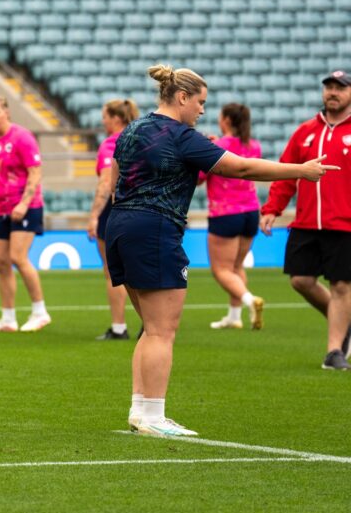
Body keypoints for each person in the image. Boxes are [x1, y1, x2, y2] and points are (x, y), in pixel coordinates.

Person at [108, 64, 335, 437]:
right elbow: (242, 169)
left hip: (121, 225)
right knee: (162, 331)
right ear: (182, 97)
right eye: (200, 102)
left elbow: (122, 176)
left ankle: (141, 410)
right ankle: (152, 416)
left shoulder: (133, 129)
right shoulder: (182, 135)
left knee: (150, 328)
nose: (201, 110)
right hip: (155, 229)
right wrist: (300, 170)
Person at [261, 69, 351, 371]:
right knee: (301, 280)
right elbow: (286, 172)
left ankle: (334, 352)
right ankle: (343, 323)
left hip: (345, 224)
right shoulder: (305, 131)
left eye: (340, 87)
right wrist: (272, 207)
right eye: (329, 87)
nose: (333, 92)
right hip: (307, 222)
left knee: (341, 286)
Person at [0, 95, 51, 334]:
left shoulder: (22, 137)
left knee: (19, 257)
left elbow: (35, 172)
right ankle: (8, 317)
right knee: (1, 261)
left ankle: (40, 312)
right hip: (2, 207)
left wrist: (24, 203)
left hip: (26, 206)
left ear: (6, 112)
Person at [203, 103, 265, 331]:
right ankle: (234, 316)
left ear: (226, 120)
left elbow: (200, 176)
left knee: (221, 270)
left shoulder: (218, 146)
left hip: (225, 213)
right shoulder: (254, 146)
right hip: (250, 212)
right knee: (237, 266)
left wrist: (207, 148)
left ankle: (250, 301)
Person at [87, 99, 139, 340]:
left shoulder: (111, 143)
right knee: (138, 269)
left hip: (115, 208)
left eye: (105, 116)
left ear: (116, 119)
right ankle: (150, 322)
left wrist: (94, 215)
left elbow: (107, 182)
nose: (103, 121)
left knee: (112, 271)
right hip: (141, 207)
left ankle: (119, 327)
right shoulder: (140, 138)